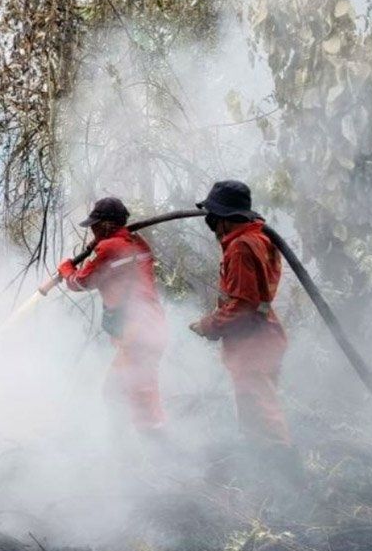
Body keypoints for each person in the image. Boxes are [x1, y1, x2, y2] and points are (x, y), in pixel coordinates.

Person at [189, 181, 304, 483]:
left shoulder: (240, 247)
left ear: (223, 217)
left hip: (253, 341)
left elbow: (242, 306)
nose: (211, 224)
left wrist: (208, 325)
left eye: (212, 216)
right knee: (255, 411)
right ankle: (265, 478)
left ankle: (293, 484)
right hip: (262, 336)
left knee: (262, 414)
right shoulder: (257, 237)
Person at [58, 197, 167, 433]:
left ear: (107, 225)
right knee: (119, 391)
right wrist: (96, 247)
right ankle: (130, 449)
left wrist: (66, 270)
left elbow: (82, 281)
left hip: (137, 331)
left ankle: (154, 454)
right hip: (150, 326)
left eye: (96, 225)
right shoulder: (137, 243)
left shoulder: (110, 248)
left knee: (135, 396)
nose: (93, 230)